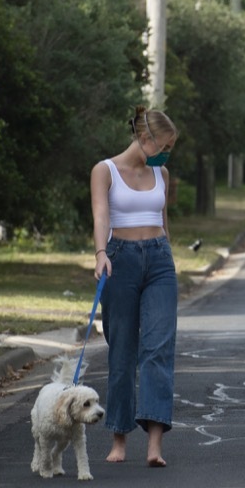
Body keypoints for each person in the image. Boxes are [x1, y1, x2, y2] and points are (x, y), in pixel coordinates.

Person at [91, 106, 180, 467]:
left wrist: (170, 257)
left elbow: (163, 219)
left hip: (159, 260)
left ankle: (155, 445)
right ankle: (119, 439)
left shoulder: (162, 171)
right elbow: (101, 214)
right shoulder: (105, 170)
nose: (167, 152)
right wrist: (100, 253)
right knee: (122, 351)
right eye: (165, 144)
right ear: (145, 138)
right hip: (119, 259)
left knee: (158, 349)